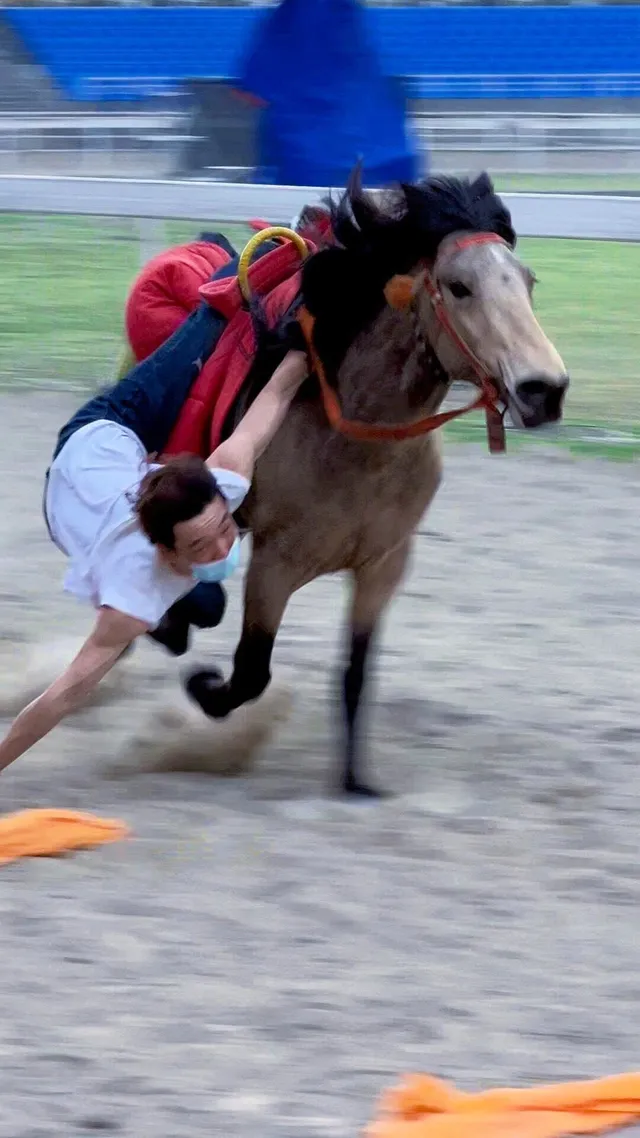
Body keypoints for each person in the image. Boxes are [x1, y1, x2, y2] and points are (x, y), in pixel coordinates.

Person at [0, 331, 309, 776]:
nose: (225, 545)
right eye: (202, 545)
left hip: (122, 464)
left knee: (207, 602)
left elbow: (273, 399)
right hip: (97, 433)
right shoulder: (130, 595)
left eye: (225, 527)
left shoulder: (223, 484)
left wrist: (303, 350)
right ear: (164, 550)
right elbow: (61, 697)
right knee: (210, 321)